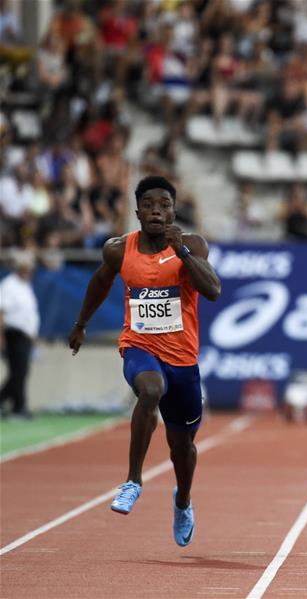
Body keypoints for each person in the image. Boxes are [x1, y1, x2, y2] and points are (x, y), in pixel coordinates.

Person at [68, 175, 221, 547]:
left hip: (182, 358)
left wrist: (182, 252)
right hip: (139, 346)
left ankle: (182, 500)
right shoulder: (119, 249)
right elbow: (100, 282)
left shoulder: (192, 245)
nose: (156, 211)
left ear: (173, 211)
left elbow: (213, 290)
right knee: (150, 390)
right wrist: (81, 324)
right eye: (149, 205)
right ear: (137, 212)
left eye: (164, 205)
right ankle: (133, 480)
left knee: (182, 448)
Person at [0, 249, 40, 419]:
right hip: (13, 334)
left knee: (20, 372)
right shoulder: (9, 285)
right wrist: (1, 337)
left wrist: (33, 336)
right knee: (18, 372)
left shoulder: (25, 286)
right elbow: (2, 312)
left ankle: (11, 403)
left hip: (25, 336)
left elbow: (29, 314)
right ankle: (19, 407)